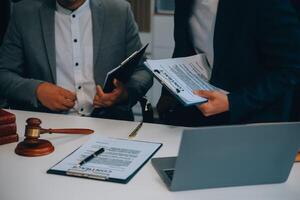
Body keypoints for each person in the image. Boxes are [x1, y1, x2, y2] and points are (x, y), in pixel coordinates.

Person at [0, 0, 153, 121]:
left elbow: (143, 70)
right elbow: (4, 73)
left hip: (111, 123)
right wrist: (37, 90)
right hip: (47, 127)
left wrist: (124, 93)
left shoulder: (120, 11)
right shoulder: (24, 13)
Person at [157, 0, 300, 127]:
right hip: (198, 114)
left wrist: (233, 102)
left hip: (253, 118)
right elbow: (183, 49)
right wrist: (168, 96)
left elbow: (290, 68)